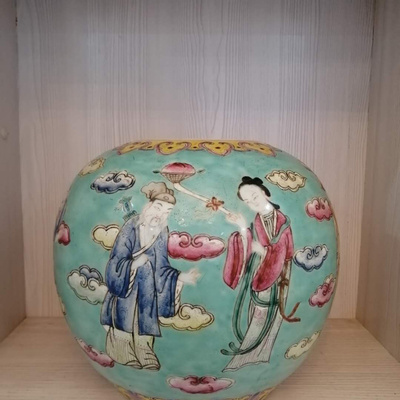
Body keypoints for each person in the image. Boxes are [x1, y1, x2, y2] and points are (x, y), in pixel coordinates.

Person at [100, 181, 200, 370]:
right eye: (158, 207)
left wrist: (180, 277)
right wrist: (133, 264)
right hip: (127, 285)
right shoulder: (131, 226)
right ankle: (122, 349)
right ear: (148, 205)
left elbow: (162, 266)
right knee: (125, 315)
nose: (160, 215)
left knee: (146, 316)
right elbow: (116, 259)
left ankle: (144, 350)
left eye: (167, 212)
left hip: (148, 287)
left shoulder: (162, 231)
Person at [221, 176, 300, 371]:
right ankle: (250, 355)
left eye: (254, 196)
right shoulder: (257, 221)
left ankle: (258, 356)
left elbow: (282, 250)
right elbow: (248, 243)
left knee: (267, 315)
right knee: (256, 314)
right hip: (261, 272)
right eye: (247, 201)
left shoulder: (282, 221)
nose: (252, 203)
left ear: (265, 192)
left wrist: (263, 251)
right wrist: (241, 227)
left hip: (278, 274)